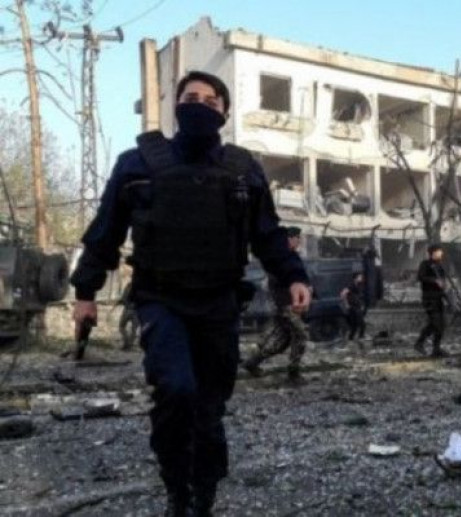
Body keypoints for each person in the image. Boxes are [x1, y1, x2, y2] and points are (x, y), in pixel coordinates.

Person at [70, 71, 311, 517]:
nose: (200, 104)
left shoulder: (242, 170)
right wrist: (85, 292)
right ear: (177, 105)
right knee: (176, 390)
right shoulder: (137, 164)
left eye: (211, 100)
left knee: (209, 406)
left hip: (219, 302)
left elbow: (267, 233)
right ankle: (176, 490)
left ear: (224, 113)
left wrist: (295, 275)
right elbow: (105, 231)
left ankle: (203, 496)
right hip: (161, 299)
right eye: (191, 97)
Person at [242, 226, 310, 383]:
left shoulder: (292, 257)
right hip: (285, 305)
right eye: (296, 238)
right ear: (288, 239)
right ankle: (293, 373)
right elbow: (277, 281)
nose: (299, 241)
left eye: (299, 238)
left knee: (282, 341)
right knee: (301, 335)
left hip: (289, 304)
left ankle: (252, 362)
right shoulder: (280, 258)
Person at [414, 244, 448, 357]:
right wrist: (434, 281)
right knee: (435, 323)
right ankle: (419, 343)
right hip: (429, 298)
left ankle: (436, 349)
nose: (441, 253)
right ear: (432, 253)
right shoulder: (425, 264)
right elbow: (421, 277)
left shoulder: (440, 266)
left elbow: (443, 281)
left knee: (441, 325)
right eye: (438, 251)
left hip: (439, 298)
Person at [341, 272, 366, 346]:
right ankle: (360, 338)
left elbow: (359, 296)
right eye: (360, 277)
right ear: (356, 278)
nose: (361, 278)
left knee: (355, 325)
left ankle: (351, 338)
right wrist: (346, 304)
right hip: (353, 307)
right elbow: (343, 294)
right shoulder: (351, 285)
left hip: (357, 306)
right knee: (361, 324)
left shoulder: (359, 285)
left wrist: (361, 305)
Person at [117, 281, 139, 350]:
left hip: (127, 310)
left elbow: (123, 298)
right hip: (137, 311)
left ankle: (126, 342)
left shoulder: (129, 285)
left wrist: (121, 302)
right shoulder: (143, 288)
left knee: (121, 326)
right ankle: (130, 345)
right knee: (134, 329)